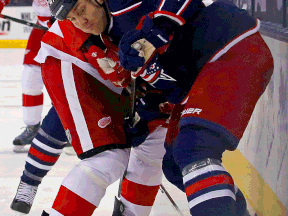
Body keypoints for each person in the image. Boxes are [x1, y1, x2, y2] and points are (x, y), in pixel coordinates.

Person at [46, 0, 274, 215]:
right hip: (202, 76)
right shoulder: (110, 41)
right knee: (175, 164)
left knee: (193, 149)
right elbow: (173, 85)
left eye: (80, 8)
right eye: (73, 19)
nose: (81, 21)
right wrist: (147, 113)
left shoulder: (120, 4)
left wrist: (159, 26)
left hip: (229, 48)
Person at [31, 7, 174, 214]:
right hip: (73, 58)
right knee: (108, 158)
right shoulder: (105, 16)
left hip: (121, 75)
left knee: (153, 145)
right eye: (74, 16)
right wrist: (91, 45)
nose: (80, 20)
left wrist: (151, 105)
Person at [9, 0, 52, 152]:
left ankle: (67, 127)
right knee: (30, 79)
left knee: (63, 80)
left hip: (66, 28)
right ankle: (32, 127)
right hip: (41, 29)